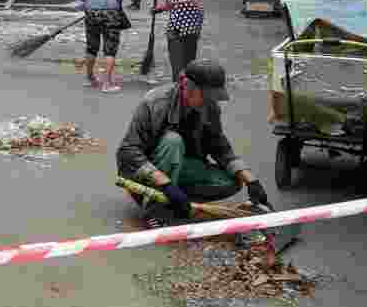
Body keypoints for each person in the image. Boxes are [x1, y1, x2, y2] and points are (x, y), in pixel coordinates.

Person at [117, 59, 273, 228]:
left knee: (231, 182)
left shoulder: (209, 107)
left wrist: (252, 181)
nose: (210, 101)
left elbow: (220, 148)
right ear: (187, 86)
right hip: (144, 175)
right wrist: (166, 184)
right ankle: (156, 207)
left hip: (180, 165)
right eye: (206, 96)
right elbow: (128, 151)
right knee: (173, 141)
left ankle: (176, 201)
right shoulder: (156, 103)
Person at [76, 0, 143, 93]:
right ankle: (106, 84)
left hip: (91, 11)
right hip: (111, 13)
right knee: (110, 48)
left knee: (91, 46)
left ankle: (90, 78)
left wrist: (87, 1)